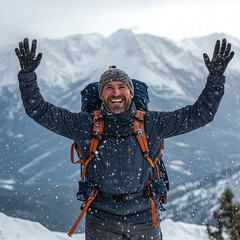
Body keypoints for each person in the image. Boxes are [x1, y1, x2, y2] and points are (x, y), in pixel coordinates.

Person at [15, 38, 234, 240]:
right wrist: (27, 76)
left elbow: (201, 114)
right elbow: (39, 110)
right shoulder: (85, 124)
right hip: (102, 218)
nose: (116, 92)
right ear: (101, 95)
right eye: (109, 88)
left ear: (130, 93)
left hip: (145, 217)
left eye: (121, 87)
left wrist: (215, 78)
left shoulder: (151, 123)